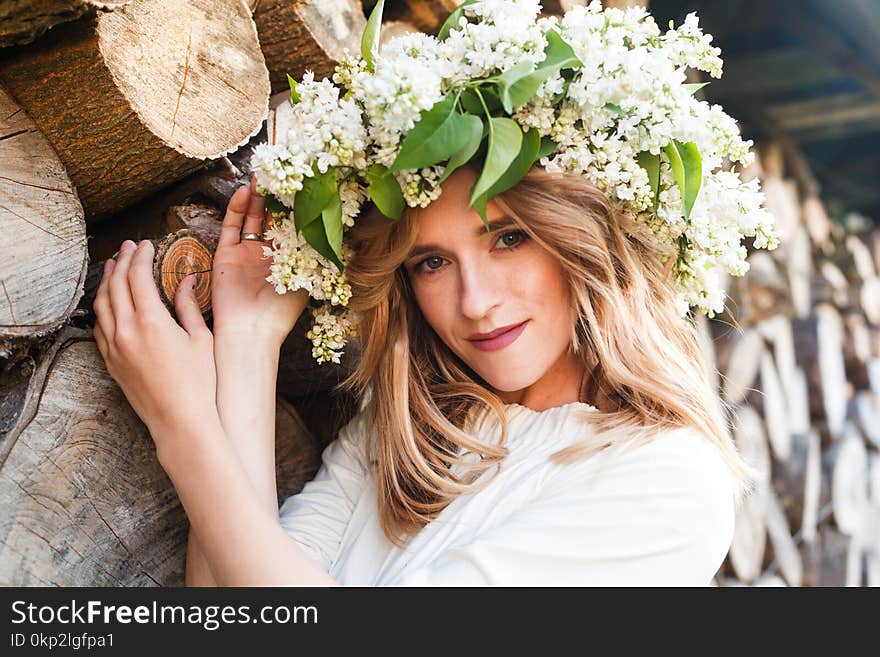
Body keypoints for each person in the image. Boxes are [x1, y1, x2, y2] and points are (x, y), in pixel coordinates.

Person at [93, 161, 754, 586]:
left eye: (509, 237)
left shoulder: (668, 482)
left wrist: (179, 421)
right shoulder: (411, 432)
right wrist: (249, 342)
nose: (475, 300)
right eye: (431, 261)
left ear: (582, 239)